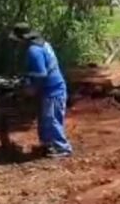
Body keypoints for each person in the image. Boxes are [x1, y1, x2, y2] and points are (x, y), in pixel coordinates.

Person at [10, 23, 73, 158]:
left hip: (52, 89)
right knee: (45, 119)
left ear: (23, 38)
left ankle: (62, 148)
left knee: (51, 119)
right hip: (50, 89)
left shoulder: (34, 50)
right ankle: (47, 145)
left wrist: (30, 89)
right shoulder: (42, 44)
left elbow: (41, 74)